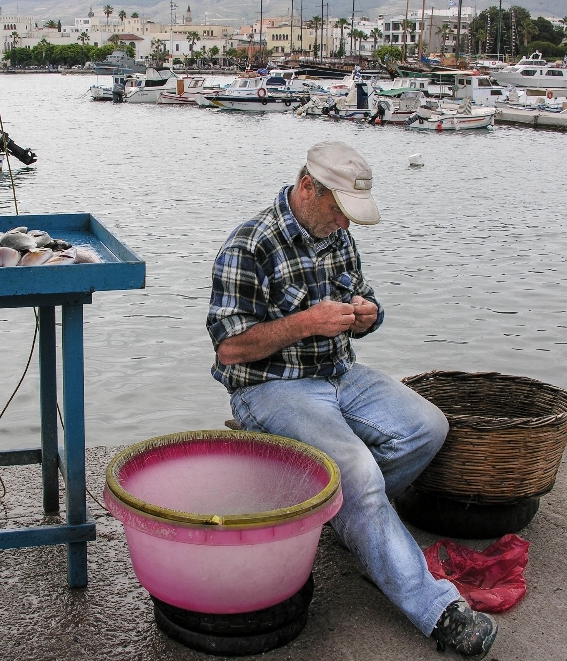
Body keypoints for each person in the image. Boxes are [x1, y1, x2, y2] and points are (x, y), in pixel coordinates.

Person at [206, 141, 498, 659]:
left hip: (342, 373)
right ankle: (436, 608)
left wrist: (368, 313)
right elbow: (230, 348)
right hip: (271, 387)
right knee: (357, 474)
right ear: (307, 188)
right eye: (340, 211)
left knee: (428, 427)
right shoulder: (249, 244)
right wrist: (304, 324)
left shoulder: (337, 236)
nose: (347, 225)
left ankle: (353, 521)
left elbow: (364, 306)